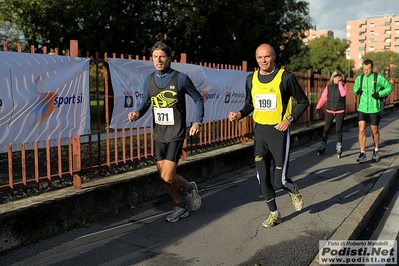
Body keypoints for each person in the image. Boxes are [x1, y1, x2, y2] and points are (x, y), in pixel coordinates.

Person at [229, 43, 309, 228]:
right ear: (256, 59)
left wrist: (289, 119)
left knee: (279, 181)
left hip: (279, 132)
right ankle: (274, 213)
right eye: (259, 57)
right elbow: (250, 104)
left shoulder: (286, 77)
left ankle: (293, 189)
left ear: (273, 57)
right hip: (260, 133)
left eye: (267, 56)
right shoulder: (251, 79)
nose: (263, 60)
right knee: (261, 177)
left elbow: (303, 101)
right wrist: (239, 114)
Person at [128, 41, 204, 222]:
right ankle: (180, 206)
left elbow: (198, 99)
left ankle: (189, 187)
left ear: (169, 58)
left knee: (168, 175)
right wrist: (136, 113)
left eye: (162, 56)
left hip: (176, 133)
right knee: (163, 177)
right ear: (152, 59)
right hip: (159, 134)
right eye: (155, 57)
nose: (158, 60)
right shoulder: (150, 79)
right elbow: (146, 102)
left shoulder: (181, 78)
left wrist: (197, 122)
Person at [353, 59, 393, 163]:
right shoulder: (359, 78)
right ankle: (362, 152)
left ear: (372, 68)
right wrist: (357, 91)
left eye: (368, 69)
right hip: (362, 107)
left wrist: (379, 94)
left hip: (374, 108)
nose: (366, 71)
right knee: (361, 129)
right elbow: (354, 89)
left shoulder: (378, 77)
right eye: (364, 69)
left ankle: (376, 150)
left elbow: (390, 87)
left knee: (374, 130)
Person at [315, 70, 347, 158]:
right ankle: (323, 145)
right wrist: (318, 107)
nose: (337, 79)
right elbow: (323, 98)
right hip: (330, 110)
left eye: (339, 77)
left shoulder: (343, 86)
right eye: (336, 77)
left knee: (338, 129)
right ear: (332, 78)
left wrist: (340, 84)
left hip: (340, 110)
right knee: (326, 129)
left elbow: (343, 94)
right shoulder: (328, 87)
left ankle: (339, 146)